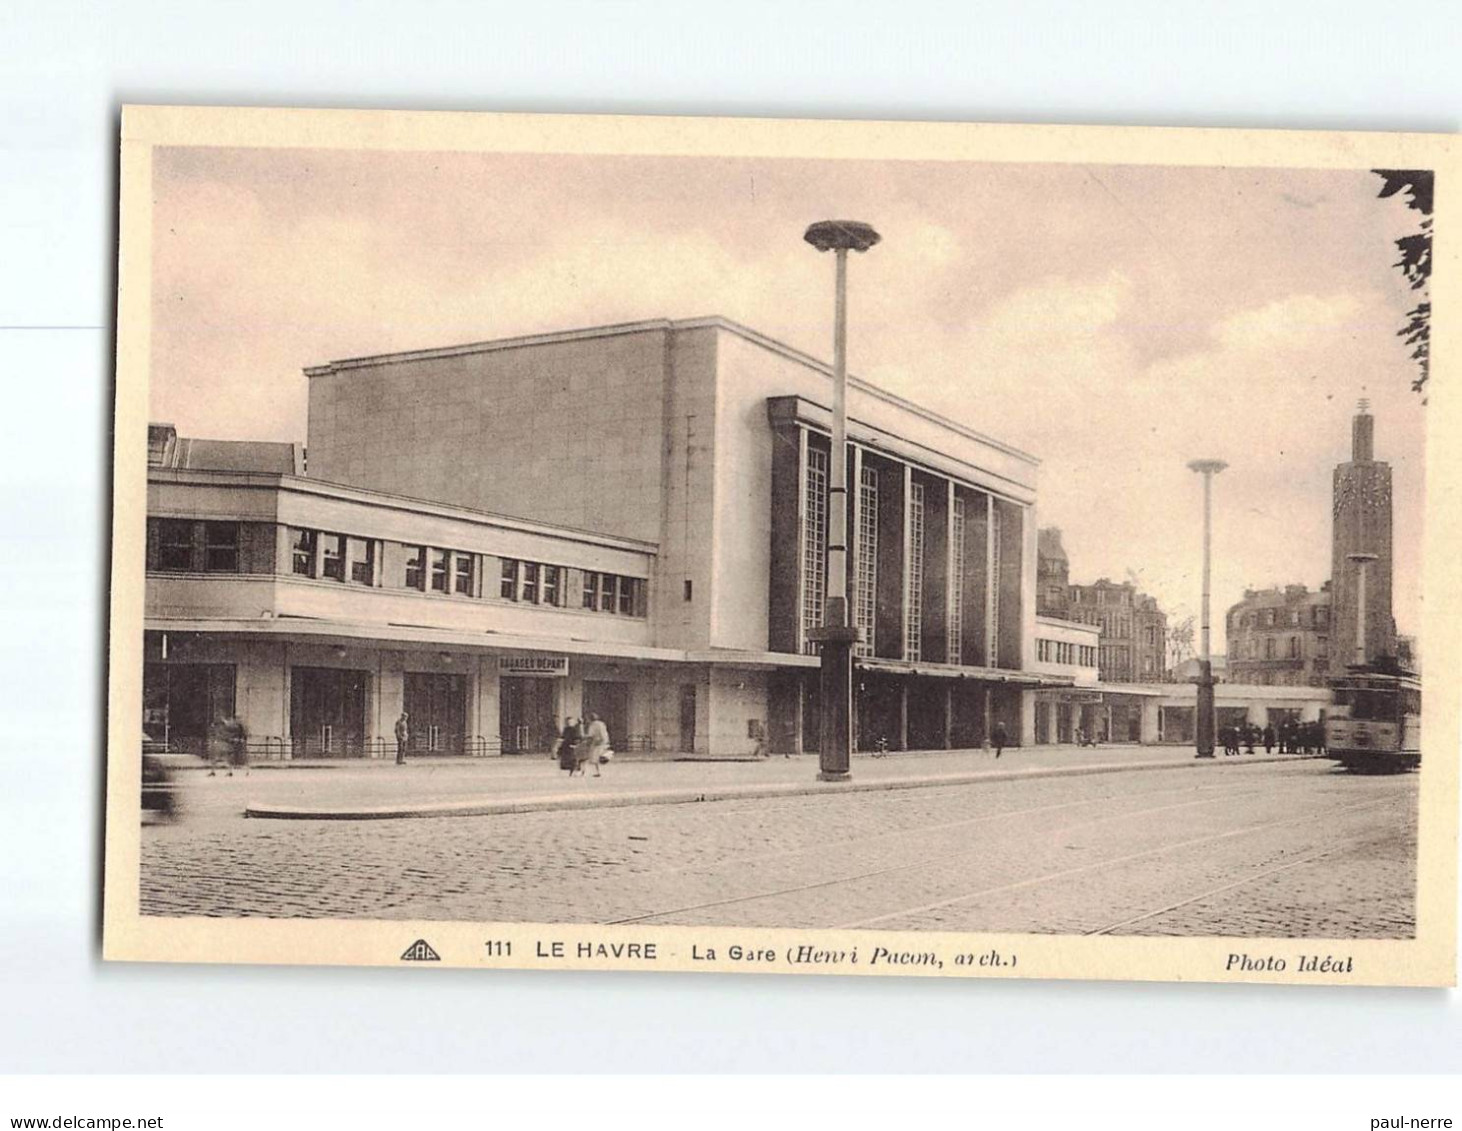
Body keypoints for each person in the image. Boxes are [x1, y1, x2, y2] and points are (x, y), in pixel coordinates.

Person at [578, 712, 610, 777]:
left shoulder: (593, 725)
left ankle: (586, 772)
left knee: (592, 758)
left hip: (596, 743)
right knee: (597, 758)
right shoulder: (601, 724)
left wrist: (581, 728)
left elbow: (590, 735)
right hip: (603, 742)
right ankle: (598, 772)